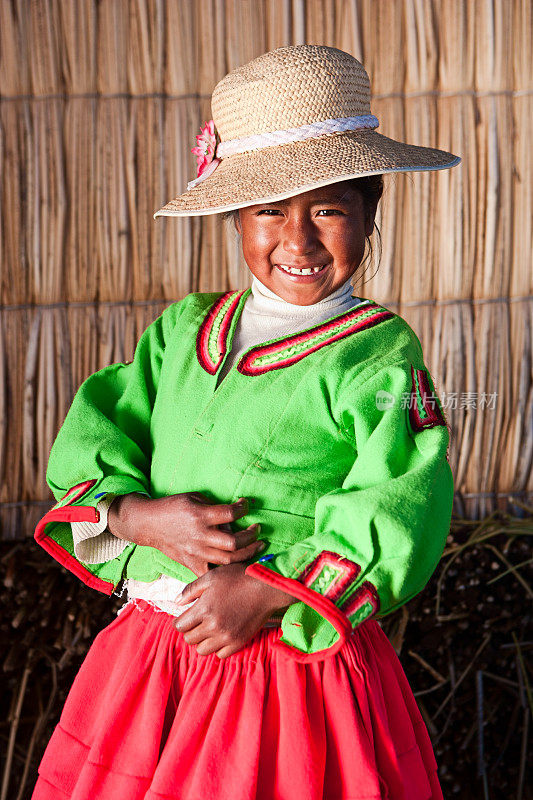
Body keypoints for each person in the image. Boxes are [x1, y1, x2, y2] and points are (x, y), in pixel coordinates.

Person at [32, 45, 460, 800]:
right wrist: (134, 516)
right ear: (234, 213)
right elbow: (102, 433)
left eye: (328, 208)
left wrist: (266, 591)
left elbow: (400, 495)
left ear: (369, 210)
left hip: (284, 671)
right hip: (149, 663)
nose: (297, 241)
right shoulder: (181, 331)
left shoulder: (379, 359)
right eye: (270, 210)